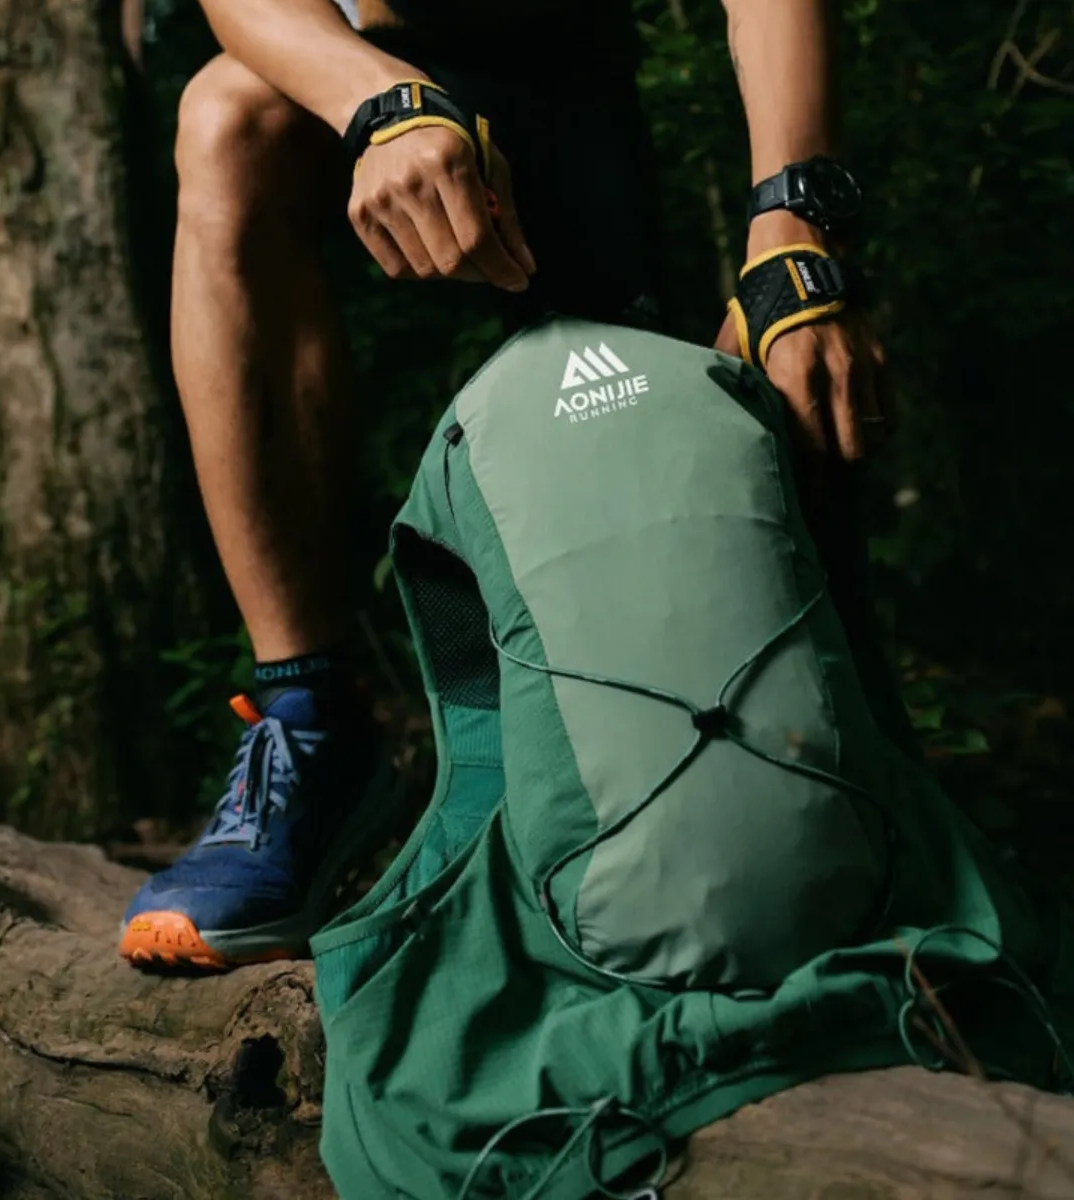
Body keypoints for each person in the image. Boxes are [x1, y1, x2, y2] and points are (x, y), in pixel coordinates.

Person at [118, 0, 896, 970]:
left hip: (565, 71)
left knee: (672, 485)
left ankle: (797, 791)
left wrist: (794, 231)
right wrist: (382, 101)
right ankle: (309, 725)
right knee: (227, 117)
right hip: (355, 73)